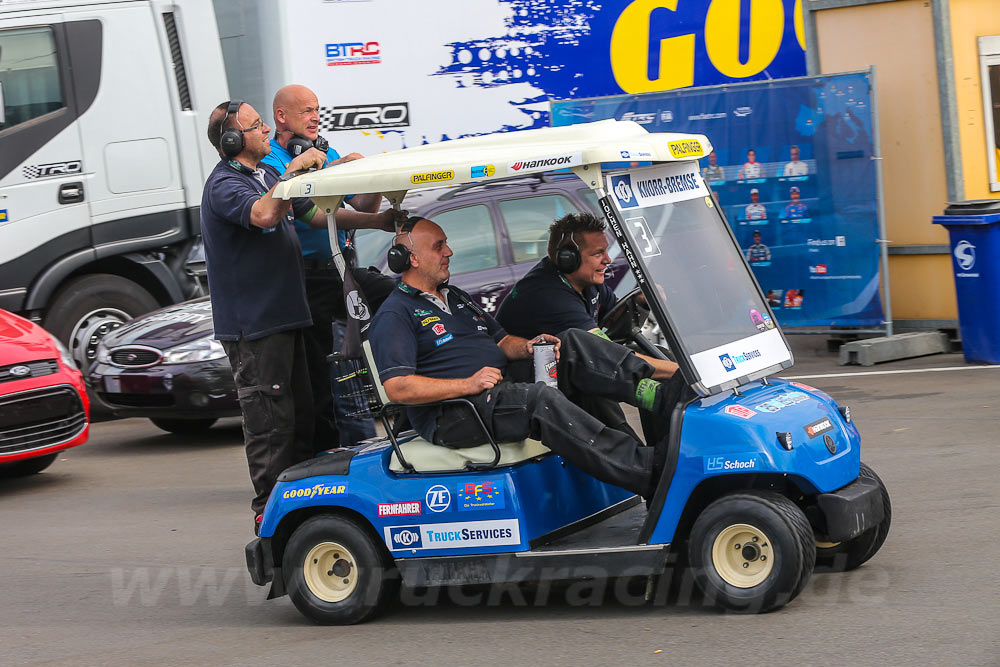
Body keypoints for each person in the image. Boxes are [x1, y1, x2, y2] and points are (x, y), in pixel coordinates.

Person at [369, 218, 687, 498]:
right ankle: (647, 471)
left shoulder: (456, 297)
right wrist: (467, 384)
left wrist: (531, 347)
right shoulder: (396, 313)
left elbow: (503, 340)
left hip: (496, 391)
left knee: (571, 343)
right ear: (410, 258)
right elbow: (398, 388)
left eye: (447, 244)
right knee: (539, 399)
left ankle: (663, 395)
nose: (449, 252)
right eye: (439, 246)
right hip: (456, 413)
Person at [201, 99, 343, 520]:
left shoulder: (264, 174)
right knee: (272, 429)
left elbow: (316, 218)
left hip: (289, 319)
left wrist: (382, 220)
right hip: (256, 331)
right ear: (231, 141)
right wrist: (295, 169)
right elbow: (264, 214)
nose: (266, 130)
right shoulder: (226, 184)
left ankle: (307, 515)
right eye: (257, 125)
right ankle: (273, 518)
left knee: (302, 422)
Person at [261, 84, 401, 450]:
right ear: (281, 117)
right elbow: (310, 215)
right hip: (307, 278)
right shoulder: (275, 161)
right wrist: (378, 221)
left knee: (397, 303)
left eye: (317, 109)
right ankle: (328, 457)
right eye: (306, 110)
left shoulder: (326, 150)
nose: (315, 116)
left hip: (343, 269)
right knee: (324, 377)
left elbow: (365, 208)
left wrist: (369, 176)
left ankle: (406, 400)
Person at [496, 213, 683, 441]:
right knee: (602, 377)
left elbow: (615, 326)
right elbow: (605, 354)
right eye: (597, 254)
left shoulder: (587, 284)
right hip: (530, 384)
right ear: (567, 258)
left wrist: (640, 304)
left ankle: (668, 446)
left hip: (568, 367)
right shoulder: (548, 294)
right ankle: (641, 462)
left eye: (605, 251)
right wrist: (681, 372)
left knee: (658, 356)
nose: (607, 260)